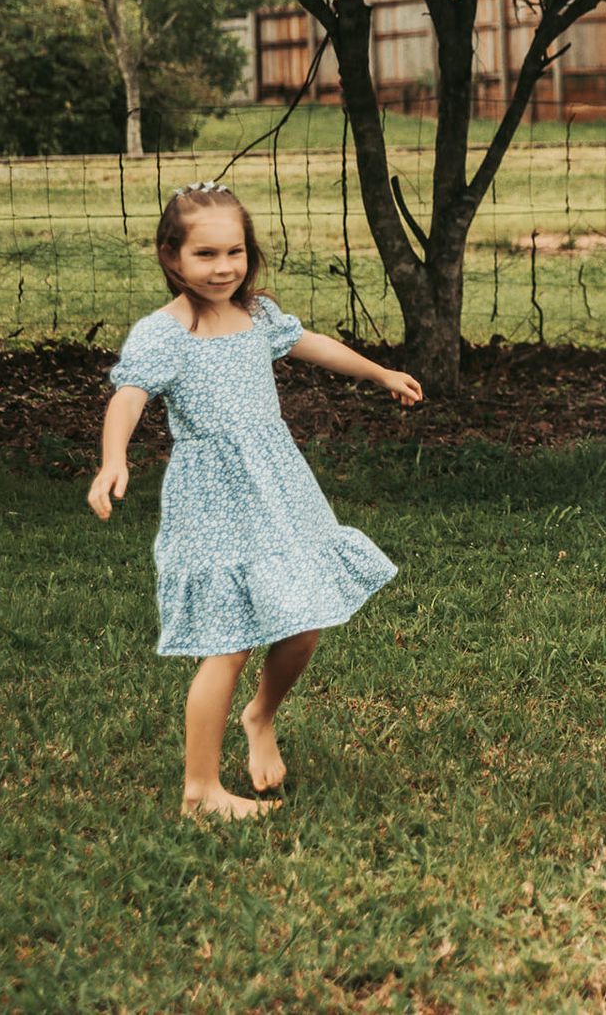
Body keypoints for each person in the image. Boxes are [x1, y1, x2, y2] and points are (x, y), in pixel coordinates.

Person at [88, 180, 422, 819]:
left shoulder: (257, 315)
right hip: (212, 497)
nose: (222, 268)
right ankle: (201, 791)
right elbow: (128, 396)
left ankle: (260, 714)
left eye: (233, 252)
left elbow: (311, 344)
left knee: (304, 617)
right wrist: (113, 460)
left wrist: (378, 373)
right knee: (230, 643)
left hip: (277, 484)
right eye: (205, 255)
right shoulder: (164, 334)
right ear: (172, 258)